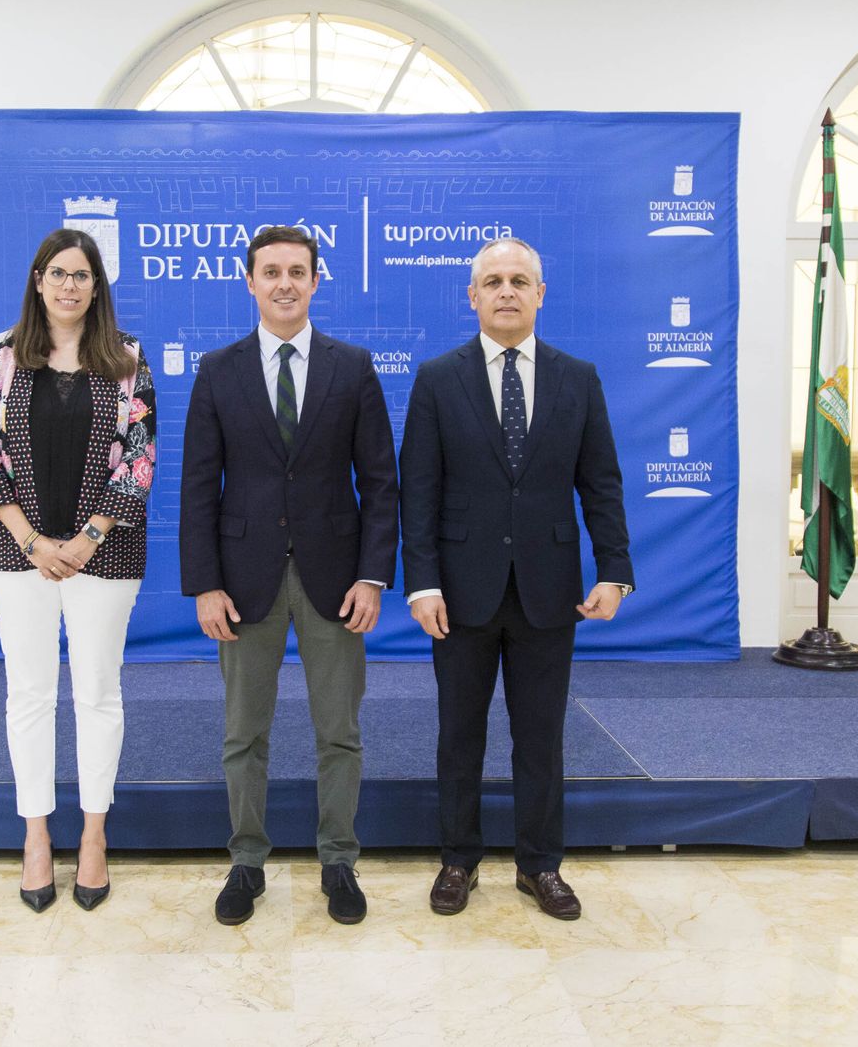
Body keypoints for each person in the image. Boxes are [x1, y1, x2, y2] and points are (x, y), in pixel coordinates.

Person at [399, 236, 633, 921]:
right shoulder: (437, 379)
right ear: (472, 296)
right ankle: (458, 861)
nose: (506, 291)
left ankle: (540, 866)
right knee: (459, 734)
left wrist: (614, 570)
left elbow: (602, 484)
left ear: (539, 295)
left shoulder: (577, 378)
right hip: (460, 592)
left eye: (519, 280)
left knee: (540, 736)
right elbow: (420, 490)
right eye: (494, 281)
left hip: (547, 590)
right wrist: (422, 583)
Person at [180, 225, 398, 926]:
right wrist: (204, 583)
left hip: (336, 579)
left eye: (297, 271)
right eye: (270, 271)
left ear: (314, 281)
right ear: (249, 282)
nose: (284, 283)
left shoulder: (353, 366)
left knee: (340, 731)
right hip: (243, 583)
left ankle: (339, 859)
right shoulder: (218, 369)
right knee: (244, 733)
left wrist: (373, 576)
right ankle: (247, 862)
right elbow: (196, 487)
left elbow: (381, 483)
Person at [0, 228, 155, 913]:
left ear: (96, 285)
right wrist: (33, 543)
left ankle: (96, 837)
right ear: (38, 280)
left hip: (104, 556)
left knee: (98, 695)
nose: (69, 286)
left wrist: (85, 540)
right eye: (58, 274)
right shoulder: (1, 356)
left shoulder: (127, 358)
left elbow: (138, 460)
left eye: (82, 275)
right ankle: (38, 838)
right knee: (30, 696)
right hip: (16, 556)